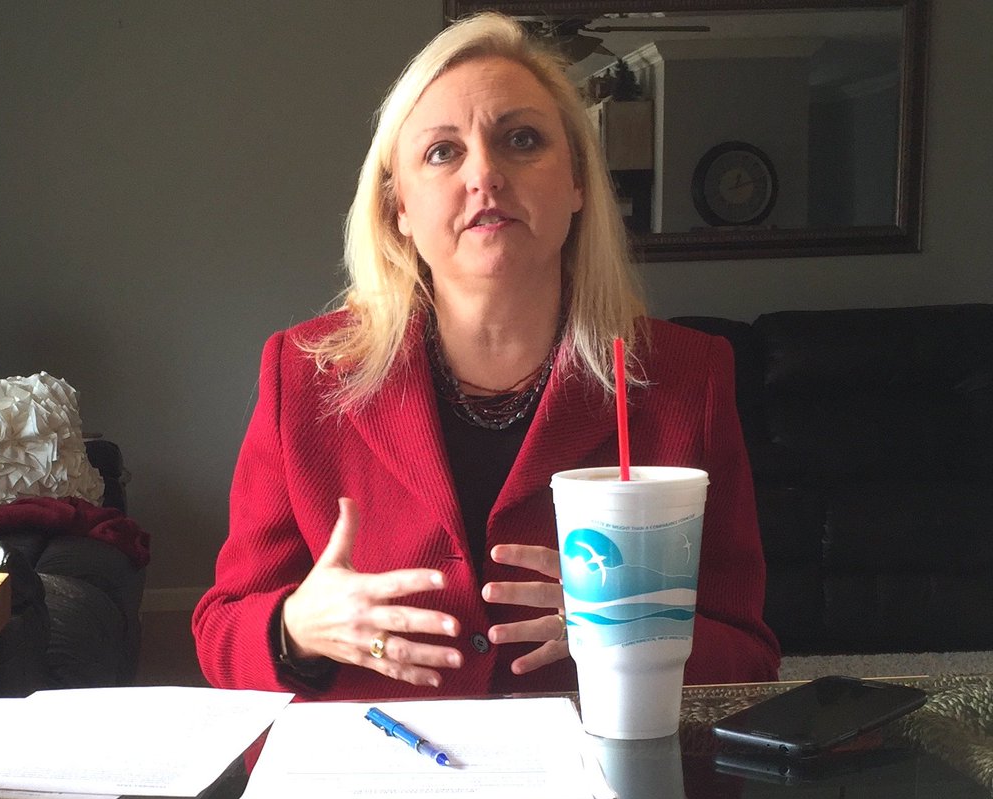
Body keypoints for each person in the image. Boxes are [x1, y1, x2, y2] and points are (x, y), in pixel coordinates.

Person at [192, 12, 779, 700]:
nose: (486, 175)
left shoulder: (687, 378)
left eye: (521, 139)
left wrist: (639, 632)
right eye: (443, 152)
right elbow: (220, 634)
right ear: (398, 208)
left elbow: (750, 659)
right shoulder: (302, 375)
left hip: (598, 760)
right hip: (374, 762)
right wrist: (295, 627)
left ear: (578, 182)